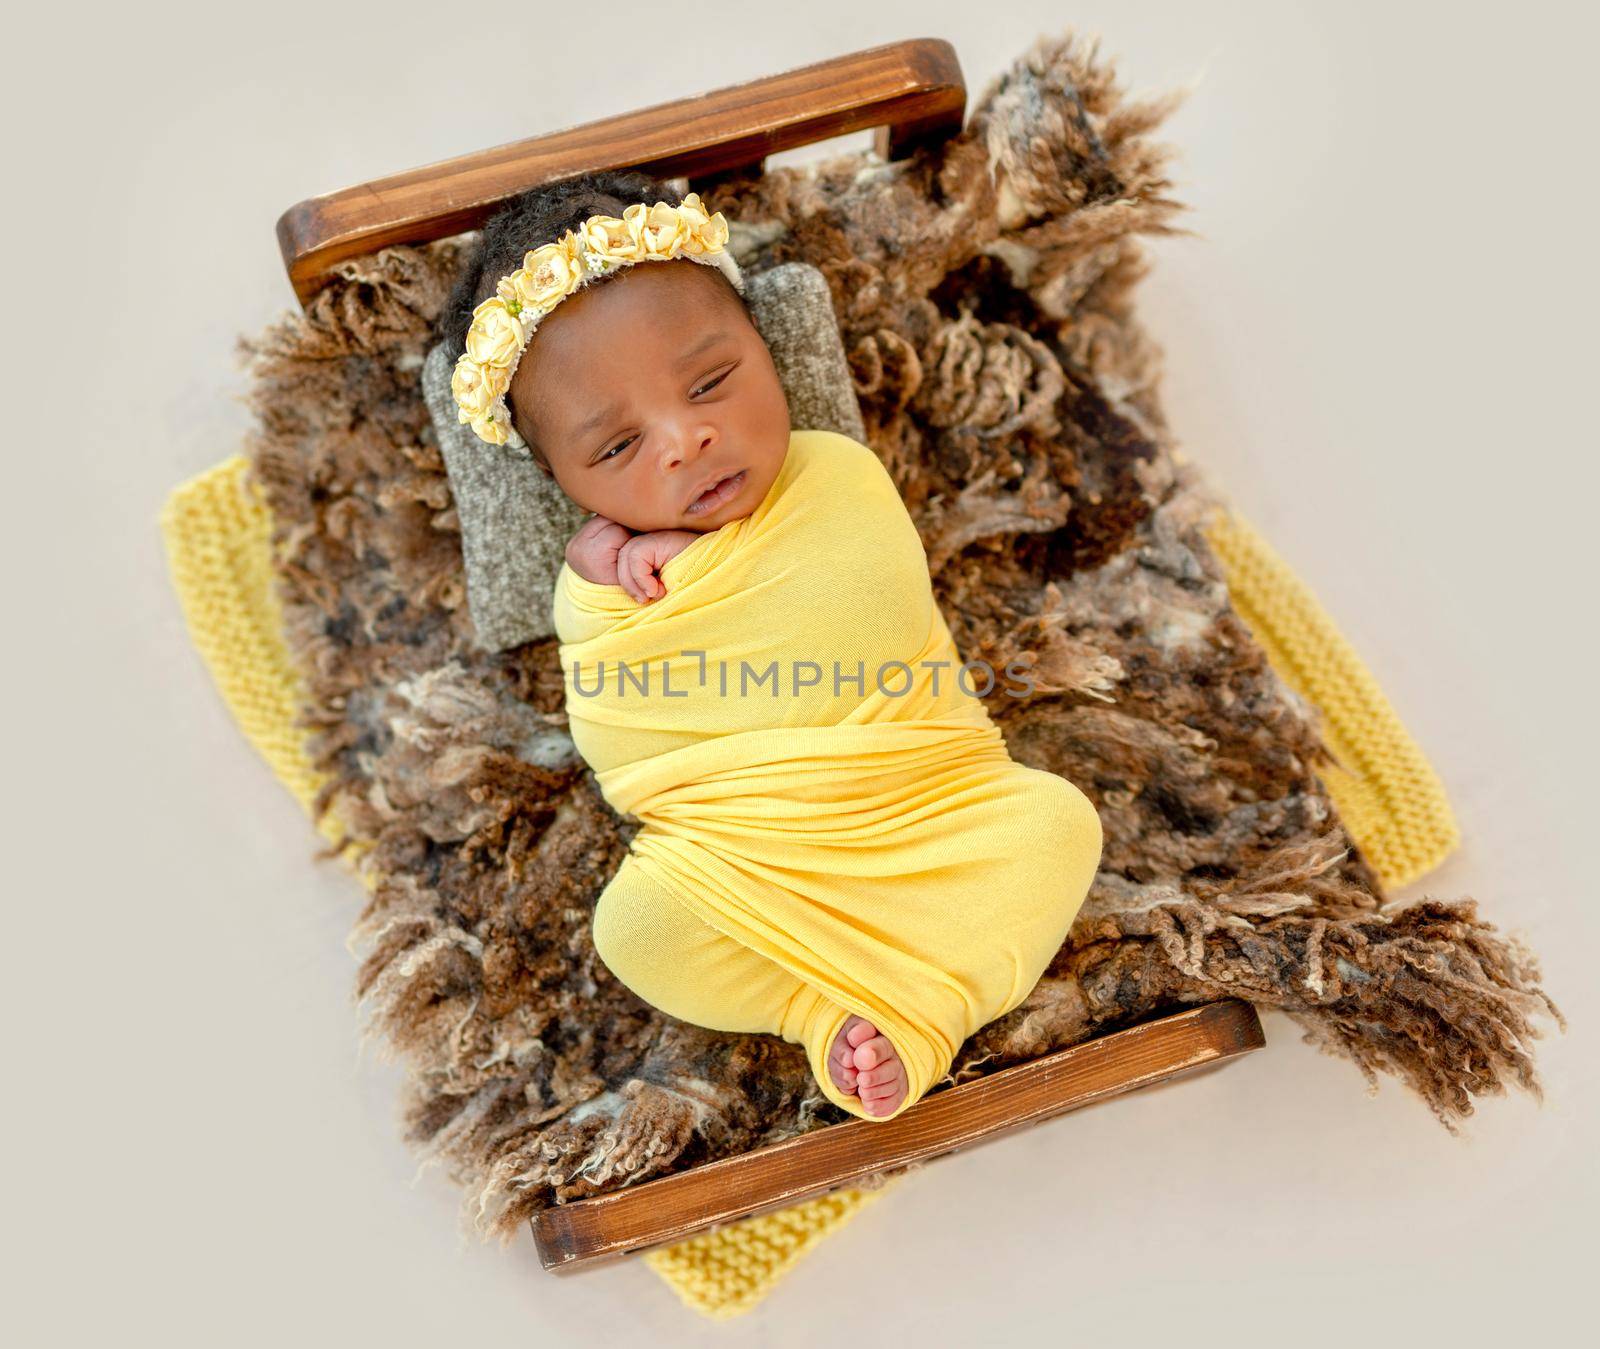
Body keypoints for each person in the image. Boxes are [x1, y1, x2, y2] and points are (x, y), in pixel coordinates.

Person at [440, 170, 1104, 1121]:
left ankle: (921, 1007)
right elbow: (615, 726)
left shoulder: (835, 481)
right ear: (564, 484)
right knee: (638, 929)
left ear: (767, 348)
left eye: (712, 382)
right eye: (618, 449)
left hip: (931, 808)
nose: (686, 438)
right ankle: (815, 1007)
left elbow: (870, 607)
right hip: (744, 856)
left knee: (1057, 824)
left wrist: (704, 571)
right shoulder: (595, 587)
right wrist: (599, 590)